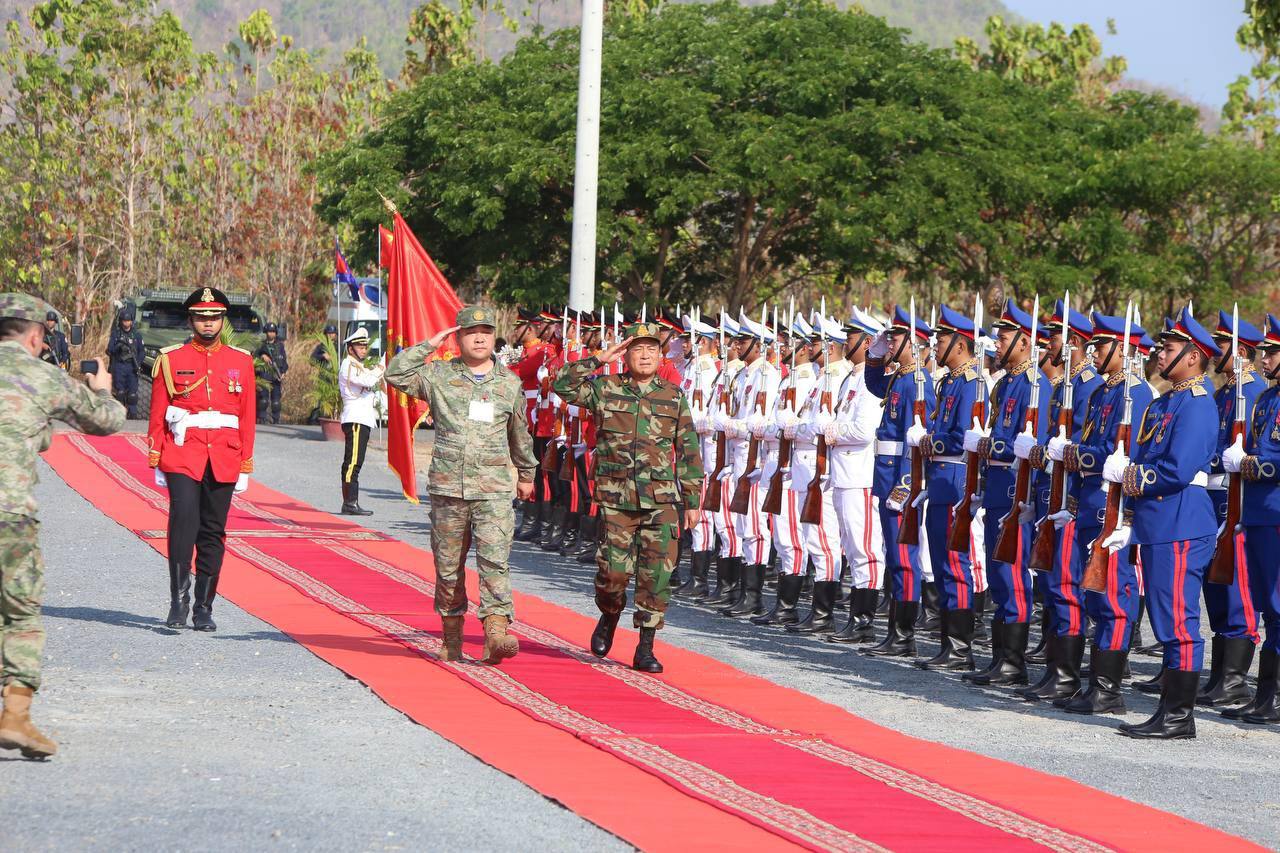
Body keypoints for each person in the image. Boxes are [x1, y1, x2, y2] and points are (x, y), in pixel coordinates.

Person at [0, 293, 125, 758]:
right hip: (10, 514)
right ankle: (15, 716)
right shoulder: (43, 376)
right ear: (36, 336)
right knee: (20, 614)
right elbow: (108, 421)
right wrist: (103, 388)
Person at [385, 306, 537, 664]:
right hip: (449, 488)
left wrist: (526, 474)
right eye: (471, 332)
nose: (479, 338)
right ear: (458, 337)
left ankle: (496, 633)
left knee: (495, 562)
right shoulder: (438, 375)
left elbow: (519, 433)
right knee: (448, 567)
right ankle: (451, 635)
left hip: (493, 490)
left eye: (485, 331)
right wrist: (429, 345)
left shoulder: (509, 383)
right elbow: (395, 373)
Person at [554, 321, 703, 673]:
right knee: (613, 574)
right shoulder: (605, 388)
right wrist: (598, 359)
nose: (646, 355)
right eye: (638, 349)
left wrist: (693, 499)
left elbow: (688, 448)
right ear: (626, 355)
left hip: (661, 500)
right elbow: (563, 385)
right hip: (616, 498)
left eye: (652, 349)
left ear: (661, 355)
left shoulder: (673, 395)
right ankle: (609, 614)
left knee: (657, 575)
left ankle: (645, 647)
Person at [1107, 307, 1218, 740]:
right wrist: (1128, 514)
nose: (1159, 354)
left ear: (1192, 357)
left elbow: (1177, 469)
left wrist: (1129, 476)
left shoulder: (1198, 404)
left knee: (1178, 622)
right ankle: (1168, 711)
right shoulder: (1164, 402)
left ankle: (1178, 716)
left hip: (1180, 521)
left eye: (1168, 349)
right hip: (1158, 522)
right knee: (1164, 618)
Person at [1053, 314, 1155, 715]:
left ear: (1123, 349)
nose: (1093, 351)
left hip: (1114, 503)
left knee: (1113, 594)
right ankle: (1094, 683)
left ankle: (1108, 690)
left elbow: (1127, 457)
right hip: (1091, 501)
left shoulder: (1137, 395)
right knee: (1094, 595)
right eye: (1092, 344)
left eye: (1102, 345)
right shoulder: (1101, 392)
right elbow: (1090, 442)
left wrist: (1074, 454)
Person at [148, 288, 257, 633]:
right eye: (200, 317)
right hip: (183, 452)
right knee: (183, 523)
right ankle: (178, 602)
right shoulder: (171, 359)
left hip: (224, 453)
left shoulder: (241, 361)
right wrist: (156, 454)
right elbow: (158, 410)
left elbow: (247, 415)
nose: (207, 324)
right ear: (191, 320)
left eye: (213, 318)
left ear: (222, 320)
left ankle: (204, 607)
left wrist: (245, 462)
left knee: (213, 530)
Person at [909, 304, 983, 670]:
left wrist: (928, 441)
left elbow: (963, 437)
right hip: (939, 481)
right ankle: (946, 644)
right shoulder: (949, 382)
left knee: (955, 564)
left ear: (960, 344)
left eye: (941, 341)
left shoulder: (971, 384)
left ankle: (960, 648)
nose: (935, 346)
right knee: (939, 564)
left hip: (954, 481)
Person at [1199, 311, 1264, 707]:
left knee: (1238, 588)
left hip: (1236, 500)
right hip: (1213, 499)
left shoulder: (1252, 392)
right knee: (1217, 586)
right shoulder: (1225, 393)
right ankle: (1220, 674)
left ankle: (1235, 679)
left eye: (1220, 345)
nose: (1213, 351)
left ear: (1239, 351)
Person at [1226, 313, 1280, 724]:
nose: (1264, 359)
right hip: (1258, 513)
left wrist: (1247, 464)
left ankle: (1273, 698)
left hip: (1277, 512)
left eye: (1272, 353)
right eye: (1264, 352)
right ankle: (1265, 695)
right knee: (1267, 607)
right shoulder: (1264, 399)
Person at [338, 328, 385, 516]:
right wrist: (382, 365)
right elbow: (368, 381)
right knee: (352, 463)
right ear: (351, 349)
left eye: (365, 346)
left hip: (363, 419)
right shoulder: (348, 365)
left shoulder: (359, 365)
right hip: (355, 418)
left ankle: (350, 502)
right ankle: (350, 503)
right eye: (360, 346)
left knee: (355, 461)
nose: (364, 349)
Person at [108, 305, 145, 419]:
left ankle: (132, 414)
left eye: (128, 320)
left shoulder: (136, 335)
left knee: (132, 395)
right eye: (124, 320)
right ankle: (119, 413)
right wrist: (118, 347)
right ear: (121, 321)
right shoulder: (116, 334)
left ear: (131, 321)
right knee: (120, 393)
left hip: (132, 366)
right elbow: (109, 350)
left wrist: (138, 363)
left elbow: (142, 351)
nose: (126, 323)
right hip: (120, 366)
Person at [255, 322, 288, 425]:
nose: (271, 333)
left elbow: (284, 361)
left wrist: (283, 372)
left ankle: (276, 420)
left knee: (276, 402)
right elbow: (253, 357)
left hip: (276, 375)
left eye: (273, 331)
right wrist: (262, 356)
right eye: (269, 331)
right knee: (263, 400)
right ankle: (262, 418)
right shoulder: (261, 345)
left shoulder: (280, 346)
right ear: (266, 332)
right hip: (264, 374)